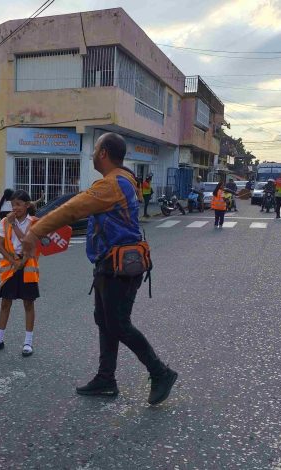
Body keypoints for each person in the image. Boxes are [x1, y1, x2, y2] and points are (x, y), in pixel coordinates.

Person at [21, 132, 177, 405]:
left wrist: (35, 232)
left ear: (103, 153)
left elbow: (73, 209)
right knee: (106, 322)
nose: (92, 153)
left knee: (118, 324)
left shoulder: (112, 184)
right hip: (110, 265)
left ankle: (160, 372)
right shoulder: (122, 179)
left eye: (95, 149)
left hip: (118, 267)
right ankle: (106, 378)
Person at [0, 190, 40, 357]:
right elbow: (0, 244)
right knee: (5, 303)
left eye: (18, 204)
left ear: (27, 205)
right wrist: (13, 261)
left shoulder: (34, 222)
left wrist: (14, 225)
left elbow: (28, 243)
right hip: (11, 265)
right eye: (12, 205)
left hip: (28, 265)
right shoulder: (5, 221)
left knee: (28, 303)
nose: (15, 208)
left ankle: (28, 342)